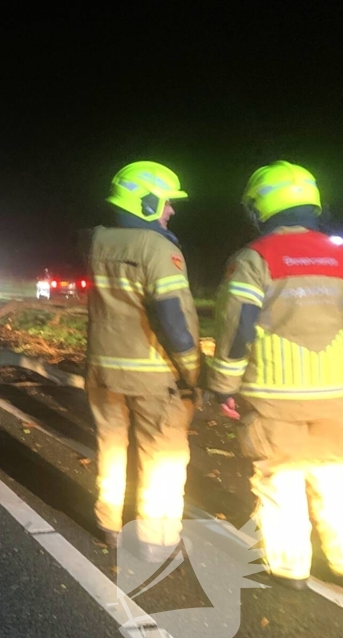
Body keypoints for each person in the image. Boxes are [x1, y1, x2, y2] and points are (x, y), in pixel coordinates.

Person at [207, 161, 343, 590]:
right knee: (336, 476)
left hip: (274, 395)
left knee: (280, 478)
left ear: (260, 207)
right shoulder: (341, 255)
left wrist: (223, 385)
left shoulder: (254, 258)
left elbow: (236, 327)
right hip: (338, 395)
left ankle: (290, 568)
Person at [86, 161, 201, 561]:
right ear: (147, 202)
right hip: (154, 375)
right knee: (163, 456)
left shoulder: (97, 242)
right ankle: (156, 539)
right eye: (166, 202)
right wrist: (192, 372)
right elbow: (173, 319)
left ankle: (108, 523)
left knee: (111, 447)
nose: (171, 210)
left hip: (102, 370)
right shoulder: (158, 248)